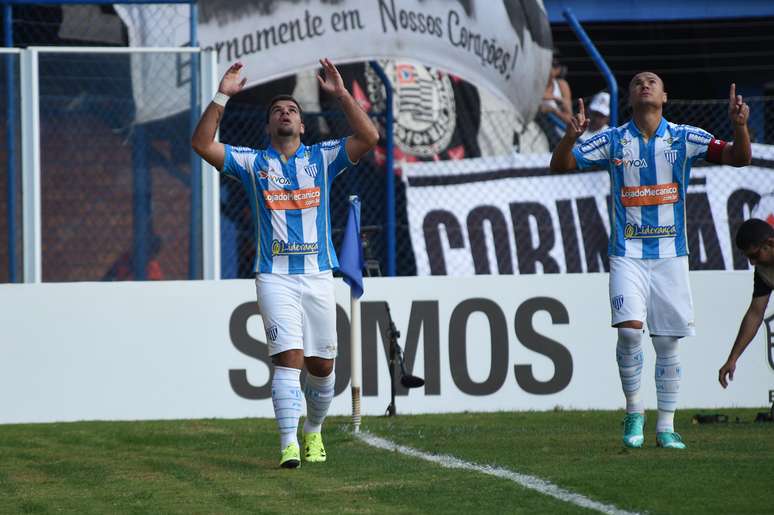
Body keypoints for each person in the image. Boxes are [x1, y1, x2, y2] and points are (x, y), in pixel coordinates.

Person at [191, 58, 379, 468]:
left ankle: (313, 431)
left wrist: (342, 95)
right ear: (268, 125)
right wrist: (223, 94)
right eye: (277, 110)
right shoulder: (253, 162)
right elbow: (203, 143)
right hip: (274, 276)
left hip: (317, 275)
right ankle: (288, 444)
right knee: (288, 359)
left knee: (323, 366)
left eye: (292, 110)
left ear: (303, 124)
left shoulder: (324, 157)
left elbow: (369, 135)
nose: (285, 113)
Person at [550, 72, 751, 449]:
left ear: (664, 95)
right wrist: (569, 138)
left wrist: (740, 128)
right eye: (638, 82)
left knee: (667, 343)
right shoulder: (613, 140)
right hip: (627, 254)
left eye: (652, 81)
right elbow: (560, 166)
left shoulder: (684, 137)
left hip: (671, 256)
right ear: (629, 96)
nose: (645, 84)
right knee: (629, 331)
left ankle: (666, 426)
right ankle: (634, 412)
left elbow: (738, 158)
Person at [719, 218, 774, 388]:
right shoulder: (763, 272)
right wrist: (733, 358)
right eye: (748, 257)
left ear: (770, 243)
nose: (752, 262)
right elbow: (755, 314)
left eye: (754, 255)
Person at [540, 54, 573, 126]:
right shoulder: (535, 77)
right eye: (550, 62)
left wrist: (554, 111)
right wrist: (554, 98)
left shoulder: (562, 85)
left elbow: (569, 119)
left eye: (555, 65)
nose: (550, 67)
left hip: (550, 130)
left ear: (559, 70)